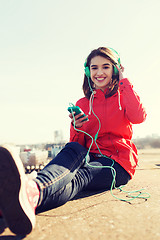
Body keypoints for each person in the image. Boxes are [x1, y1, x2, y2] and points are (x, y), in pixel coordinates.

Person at [0, 47, 146, 235]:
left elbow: (138, 117)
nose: (99, 72)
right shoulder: (83, 103)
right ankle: (26, 196)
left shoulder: (123, 95)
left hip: (117, 163)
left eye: (106, 67)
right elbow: (76, 144)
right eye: (94, 68)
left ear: (115, 69)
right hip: (88, 154)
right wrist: (78, 127)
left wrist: (124, 81)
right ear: (88, 72)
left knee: (79, 178)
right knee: (71, 152)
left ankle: (27, 194)